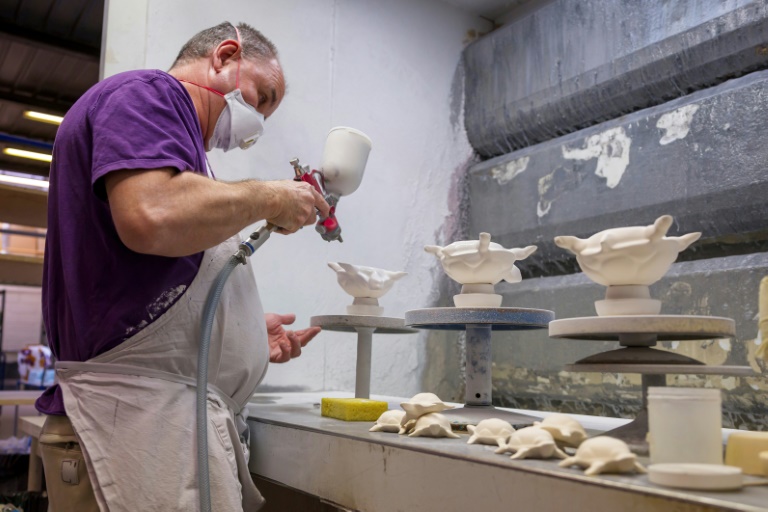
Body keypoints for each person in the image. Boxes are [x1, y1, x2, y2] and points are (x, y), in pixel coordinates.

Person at [36, 21, 328, 511]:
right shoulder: (147, 93)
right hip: (131, 423)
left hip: (156, 418)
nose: (257, 124)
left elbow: (140, 284)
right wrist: (272, 195)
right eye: (261, 98)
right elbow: (153, 216)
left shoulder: (182, 154)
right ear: (225, 56)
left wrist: (240, 334)